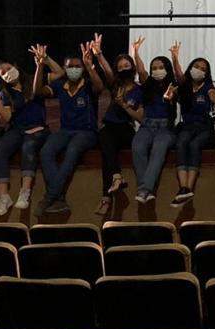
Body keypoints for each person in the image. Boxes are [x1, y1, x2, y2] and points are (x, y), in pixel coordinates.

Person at [33, 41, 102, 215]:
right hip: (65, 130)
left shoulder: (87, 83)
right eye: (70, 66)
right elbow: (37, 93)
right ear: (64, 68)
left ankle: (50, 197)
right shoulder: (60, 84)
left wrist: (90, 67)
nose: (74, 69)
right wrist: (40, 66)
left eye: (78, 66)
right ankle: (59, 199)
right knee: (46, 151)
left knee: (72, 152)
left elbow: (99, 88)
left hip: (86, 132)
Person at [92, 34, 147, 215]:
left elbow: (140, 118)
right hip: (109, 128)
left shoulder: (139, 90)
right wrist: (99, 55)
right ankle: (111, 188)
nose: (124, 68)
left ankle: (108, 193)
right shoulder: (116, 85)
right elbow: (107, 71)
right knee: (106, 144)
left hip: (126, 129)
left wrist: (124, 106)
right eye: (120, 66)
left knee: (107, 143)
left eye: (127, 65)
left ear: (132, 67)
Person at [171, 52, 215, 208]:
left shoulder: (207, 86)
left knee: (194, 145)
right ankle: (183, 188)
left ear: (207, 73)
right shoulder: (184, 86)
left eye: (203, 69)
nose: (199, 70)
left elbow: (213, 95)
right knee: (181, 143)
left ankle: (188, 188)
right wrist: (175, 59)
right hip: (187, 126)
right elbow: (179, 76)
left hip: (204, 127)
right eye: (196, 66)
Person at [0, 58, 49, 216]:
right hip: (17, 129)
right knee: (0, 149)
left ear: (15, 66)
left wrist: (41, 64)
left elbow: (58, 73)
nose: (7, 74)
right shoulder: (5, 93)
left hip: (38, 128)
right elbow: (7, 118)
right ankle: (3, 197)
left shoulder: (32, 82)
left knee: (28, 146)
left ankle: (25, 192)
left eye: (8, 68)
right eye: (3, 73)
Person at [130, 39, 181, 206]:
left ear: (167, 69)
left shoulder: (173, 85)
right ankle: (147, 191)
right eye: (154, 68)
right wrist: (135, 53)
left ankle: (144, 190)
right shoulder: (148, 85)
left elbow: (175, 92)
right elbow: (141, 70)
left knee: (158, 149)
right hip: (147, 126)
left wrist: (170, 97)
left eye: (161, 67)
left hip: (166, 128)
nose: (157, 70)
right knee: (137, 147)